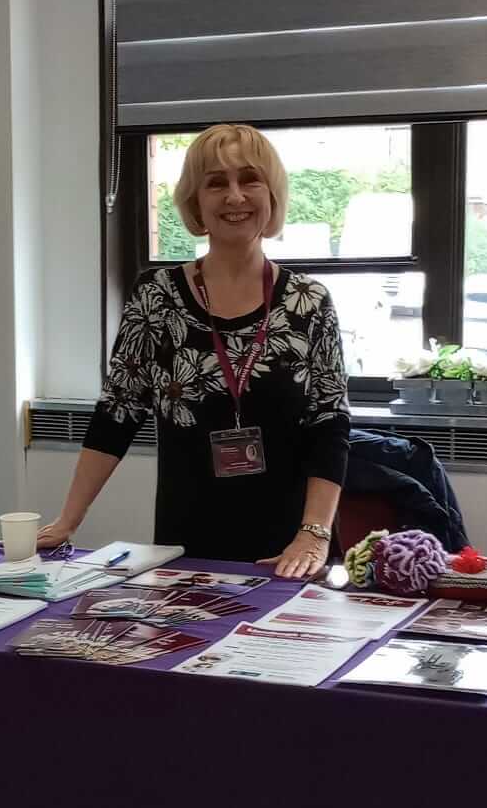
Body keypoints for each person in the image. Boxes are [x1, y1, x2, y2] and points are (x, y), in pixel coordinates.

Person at [39, 123, 349, 578]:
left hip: (289, 548)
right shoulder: (157, 297)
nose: (235, 196)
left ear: (272, 195)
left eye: (250, 179)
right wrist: (69, 519)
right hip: (186, 544)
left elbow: (331, 423)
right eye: (216, 182)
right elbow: (117, 414)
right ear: (195, 201)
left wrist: (315, 533)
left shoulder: (308, 301)